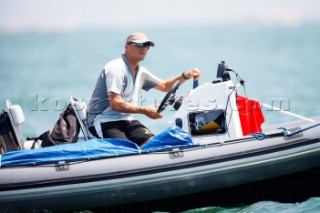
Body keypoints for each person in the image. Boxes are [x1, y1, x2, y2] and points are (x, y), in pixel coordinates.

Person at [87, 32, 200, 146]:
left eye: (147, 46)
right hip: (102, 120)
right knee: (127, 149)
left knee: (154, 145)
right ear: (127, 47)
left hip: (127, 120)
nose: (144, 49)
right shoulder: (116, 68)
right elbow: (115, 103)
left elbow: (165, 86)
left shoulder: (141, 72)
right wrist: (144, 110)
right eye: (140, 45)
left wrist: (186, 75)